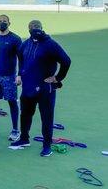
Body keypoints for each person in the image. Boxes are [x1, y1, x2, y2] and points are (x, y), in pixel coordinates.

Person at [9, 20, 71, 157]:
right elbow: (21, 59)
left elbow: (66, 61)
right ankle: (24, 139)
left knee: (46, 118)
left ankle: (47, 146)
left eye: (37, 27)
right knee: (25, 115)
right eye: (32, 27)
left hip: (45, 89)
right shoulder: (25, 45)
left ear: (42, 28)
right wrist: (19, 74)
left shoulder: (50, 44)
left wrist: (57, 78)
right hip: (28, 88)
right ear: (28, 29)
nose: (35, 29)